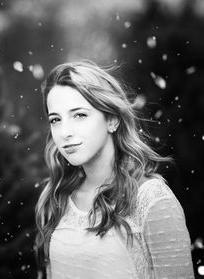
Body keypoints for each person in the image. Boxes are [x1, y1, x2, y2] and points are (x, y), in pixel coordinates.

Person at [34, 60, 194, 279]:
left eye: (79, 115)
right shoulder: (57, 197)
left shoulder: (151, 199)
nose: (65, 132)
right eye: (55, 119)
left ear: (112, 120)